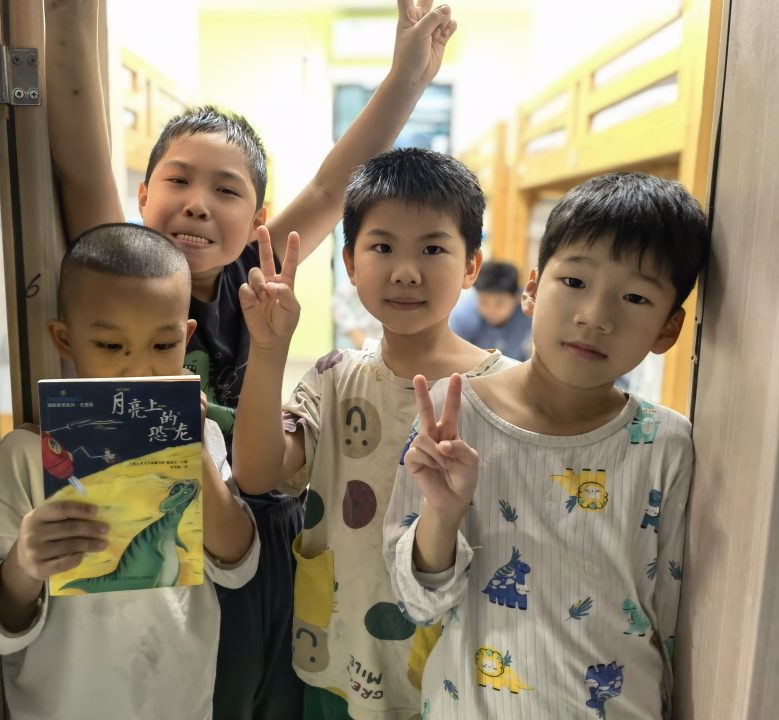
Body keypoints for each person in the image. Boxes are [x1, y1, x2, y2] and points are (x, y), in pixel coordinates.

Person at [43, 3, 458, 717]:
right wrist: (70, 15)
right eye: (178, 182)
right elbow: (80, 165)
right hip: (162, 525)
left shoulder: (256, 278)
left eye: (227, 190)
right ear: (142, 196)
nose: (198, 205)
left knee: (268, 694)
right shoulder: (118, 276)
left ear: (258, 219)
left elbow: (330, 187)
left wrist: (406, 79)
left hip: (267, 525)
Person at [384, 172, 710, 719]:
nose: (595, 316)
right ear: (532, 290)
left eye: (635, 297)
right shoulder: (454, 414)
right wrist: (442, 513)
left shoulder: (666, 445)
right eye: (575, 281)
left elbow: (672, 624)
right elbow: (416, 604)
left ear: (667, 329)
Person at [233, 148, 519, 719]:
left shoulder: (507, 391)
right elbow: (257, 473)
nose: (405, 271)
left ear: (471, 266)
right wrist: (268, 349)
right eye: (383, 247)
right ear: (350, 263)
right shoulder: (334, 378)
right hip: (339, 663)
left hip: (457, 682)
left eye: (433, 249)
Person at [0, 225, 260, 720]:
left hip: (178, 703)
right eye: (109, 346)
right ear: (65, 339)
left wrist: (194, 450)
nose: (138, 370)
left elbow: (238, 567)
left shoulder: (204, 436)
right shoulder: (24, 456)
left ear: (186, 337)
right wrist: (24, 564)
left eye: (163, 345)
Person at [450, 260, 533, 361]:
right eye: (484, 302)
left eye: (499, 303)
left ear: (516, 297)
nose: (491, 310)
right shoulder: (464, 315)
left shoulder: (529, 309)